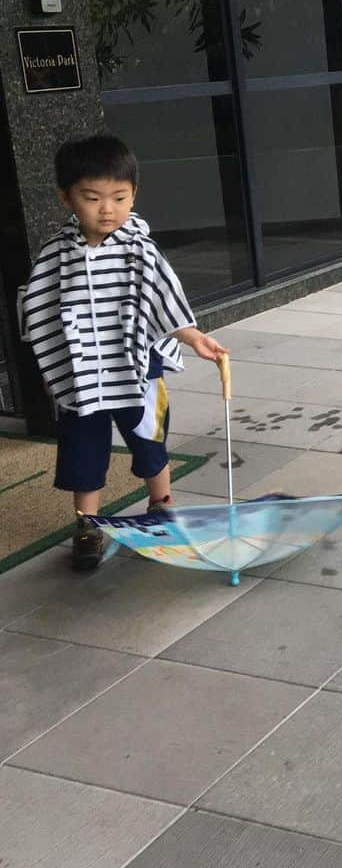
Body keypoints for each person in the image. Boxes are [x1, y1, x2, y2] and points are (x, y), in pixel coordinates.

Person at [18, 134, 227, 572]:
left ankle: (162, 503)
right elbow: (38, 305)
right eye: (92, 198)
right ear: (66, 197)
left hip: (137, 366)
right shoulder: (56, 254)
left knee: (148, 438)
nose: (107, 209)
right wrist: (48, 361)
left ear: (134, 195)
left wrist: (192, 335)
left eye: (119, 197)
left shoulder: (139, 248)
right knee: (83, 447)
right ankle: (87, 525)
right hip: (80, 372)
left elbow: (164, 295)